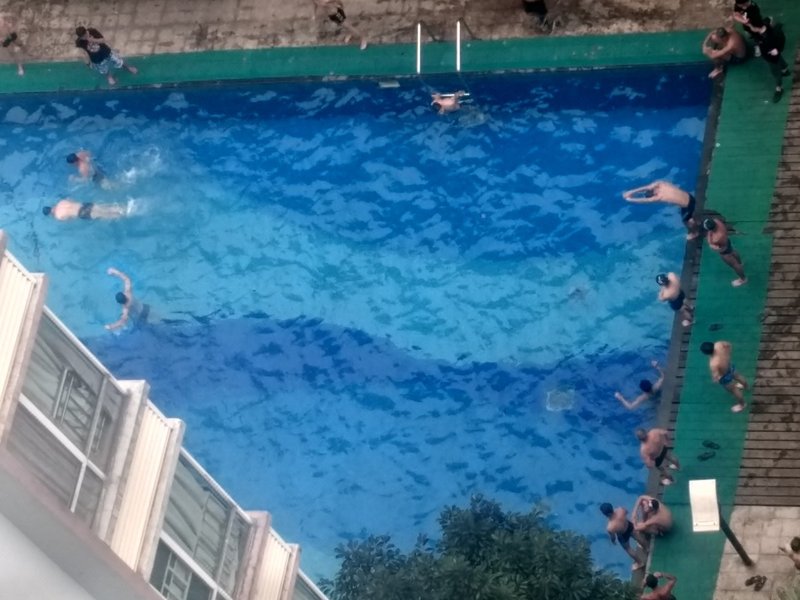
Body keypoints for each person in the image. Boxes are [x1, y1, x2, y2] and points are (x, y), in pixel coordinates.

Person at [622, 181, 699, 240]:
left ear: (653, 195)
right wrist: (631, 191)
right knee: (683, 210)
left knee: (686, 221)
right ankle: (695, 220)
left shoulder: (659, 197)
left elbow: (644, 201)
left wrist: (630, 199)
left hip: (688, 205)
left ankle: (695, 233)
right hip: (689, 196)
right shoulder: (661, 184)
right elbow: (647, 187)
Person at [700, 341, 749, 412]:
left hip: (725, 376)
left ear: (706, 353)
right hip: (730, 367)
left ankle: (742, 404)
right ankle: (746, 386)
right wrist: (728, 355)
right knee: (738, 376)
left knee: (734, 390)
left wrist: (715, 379)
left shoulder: (713, 363)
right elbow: (729, 345)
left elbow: (716, 376)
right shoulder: (718, 344)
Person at [599, 503, 648, 571]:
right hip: (629, 525)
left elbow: (613, 537)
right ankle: (647, 548)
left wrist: (613, 541)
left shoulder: (610, 526)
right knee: (637, 537)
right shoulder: (620, 510)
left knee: (628, 549)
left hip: (622, 535)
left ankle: (640, 563)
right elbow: (626, 512)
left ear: (606, 514)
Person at [751, 21, 789, 103]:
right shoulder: (761, 31)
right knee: (779, 58)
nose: (751, 28)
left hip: (772, 58)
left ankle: (779, 88)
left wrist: (777, 49)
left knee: (776, 73)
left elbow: (781, 40)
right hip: (769, 55)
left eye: (752, 26)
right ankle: (785, 69)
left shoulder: (771, 36)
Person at [702, 217, 747, 287]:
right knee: (733, 251)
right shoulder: (717, 221)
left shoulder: (716, 238)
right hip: (727, 241)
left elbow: (711, 243)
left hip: (724, 250)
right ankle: (740, 263)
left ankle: (743, 279)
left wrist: (710, 241)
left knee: (735, 265)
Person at [42, 198, 129, 221]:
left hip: (82, 213)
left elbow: (70, 218)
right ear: (50, 207)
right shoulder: (61, 202)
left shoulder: (58, 216)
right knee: (104, 208)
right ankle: (125, 208)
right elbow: (72, 200)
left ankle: (123, 215)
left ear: (50, 214)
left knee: (103, 215)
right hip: (85, 205)